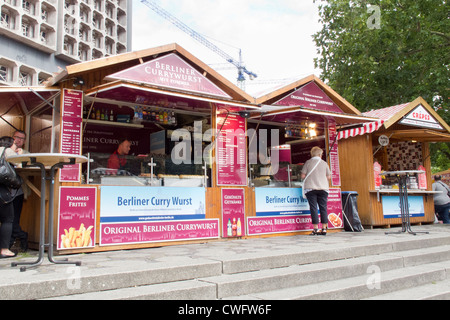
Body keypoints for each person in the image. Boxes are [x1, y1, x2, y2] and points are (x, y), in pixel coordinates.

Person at [301, 146, 332, 236]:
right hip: (323, 188)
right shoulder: (324, 163)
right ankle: (324, 228)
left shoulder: (308, 163)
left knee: (313, 208)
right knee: (323, 208)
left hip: (311, 188)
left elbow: (303, 176)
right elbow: (329, 177)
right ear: (319, 154)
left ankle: (315, 229)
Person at [10, 130, 29, 251]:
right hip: (4, 191)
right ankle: (21, 236)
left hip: (18, 191)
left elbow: (28, 168)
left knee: (13, 218)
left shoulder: (26, 153)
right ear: (13, 138)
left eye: (22, 139)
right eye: (17, 137)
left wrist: (21, 157)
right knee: (7, 219)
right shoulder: (6, 151)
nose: (19, 140)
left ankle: (8, 244)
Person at [0, 136, 18, 258]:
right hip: (2, 189)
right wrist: (18, 153)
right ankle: (4, 249)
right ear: (10, 144)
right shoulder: (7, 151)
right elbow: (19, 162)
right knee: (7, 219)